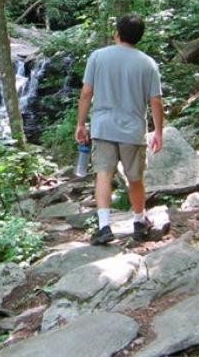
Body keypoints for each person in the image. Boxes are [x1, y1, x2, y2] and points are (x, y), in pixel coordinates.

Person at [74, 14, 164, 245]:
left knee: (103, 174)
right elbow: (156, 101)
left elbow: (86, 93)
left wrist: (81, 124)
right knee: (135, 177)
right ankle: (138, 221)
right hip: (133, 130)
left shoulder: (98, 57)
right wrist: (159, 132)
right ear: (139, 37)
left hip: (103, 127)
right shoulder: (148, 63)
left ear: (117, 33)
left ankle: (104, 226)